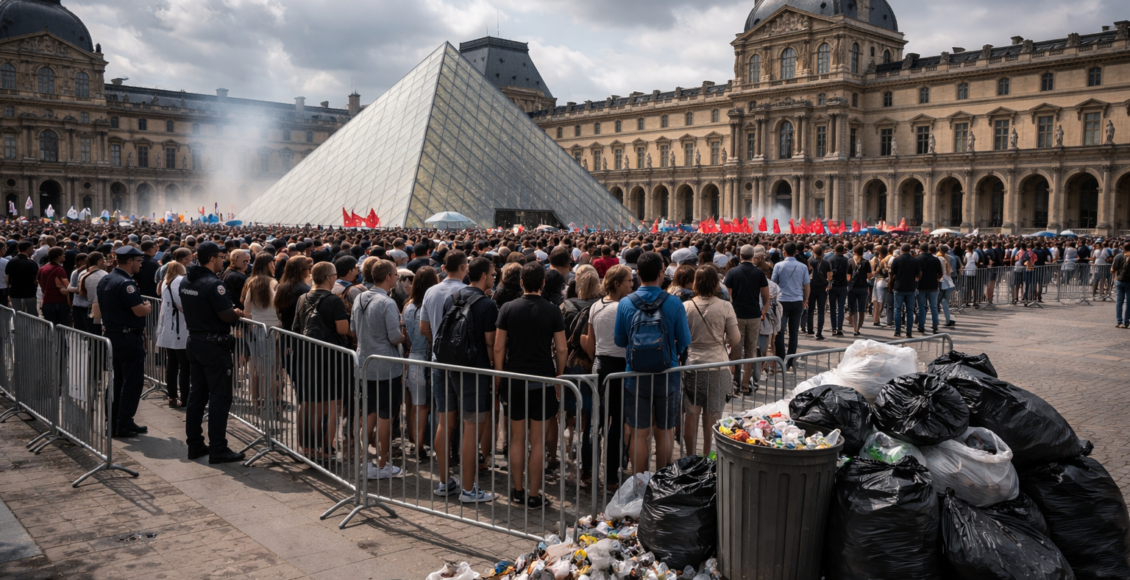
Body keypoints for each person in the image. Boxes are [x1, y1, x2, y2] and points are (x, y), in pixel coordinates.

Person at [494, 262, 567, 509]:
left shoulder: (507, 308)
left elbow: (498, 346)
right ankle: (534, 495)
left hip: (514, 380)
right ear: (543, 283)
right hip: (543, 380)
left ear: (521, 282)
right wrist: (559, 374)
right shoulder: (553, 310)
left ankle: (517, 490)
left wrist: (499, 375)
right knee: (537, 441)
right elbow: (562, 347)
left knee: (516, 438)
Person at [614, 252, 691, 476]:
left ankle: (640, 483)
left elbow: (620, 340)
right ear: (661, 273)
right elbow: (685, 341)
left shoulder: (626, 303)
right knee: (665, 431)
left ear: (637, 274)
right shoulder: (674, 302)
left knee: (639, 433)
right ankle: (662, 483)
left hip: (635, 374)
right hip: (668, 372)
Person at [438, 256, 499, 503]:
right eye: (493, 274)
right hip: (475, 369)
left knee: (446, 424)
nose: (495, 278)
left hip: (449, 366)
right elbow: (490, 342)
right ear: (483, 276)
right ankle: (468, 489)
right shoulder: (487, 304)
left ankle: (444, 483)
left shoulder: (452, 298)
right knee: (471, 429)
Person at [180, 241, 245, 464]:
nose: (223, 260)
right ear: (211, 258)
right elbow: (226, 315)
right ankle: (218, 448)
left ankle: (195, 444)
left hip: (195, 341)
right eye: (221, 256)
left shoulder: (187, 279)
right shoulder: (213, 283)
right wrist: (235, 312)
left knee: (197, 395)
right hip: (213, 345)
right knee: (220, 397)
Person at [419, 250, 470, 497]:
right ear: (462, 268)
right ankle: (468, 481)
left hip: (437, 361)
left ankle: (443, 479)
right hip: (462, 363)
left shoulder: (431, 291)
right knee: (469, 420)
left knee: (444, 421)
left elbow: (423, 327)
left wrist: (437, 343)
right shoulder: (466, 291)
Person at [291, 261, 353, 461]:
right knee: (332, 404)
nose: (336, 277)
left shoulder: (302, 298)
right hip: (331, 357)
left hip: (307, 356)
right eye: (334, 274)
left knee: (307, 403)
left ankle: (306, 447)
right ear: (328, 277)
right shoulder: (333, 300)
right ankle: (326, 449)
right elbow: (343, 329)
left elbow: (296, 327)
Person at [352, 259, 407, 482]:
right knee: (385, 416)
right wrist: (406, 338)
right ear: (387, 277)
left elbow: (354, 329)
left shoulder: (359, 297)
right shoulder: (387, 302)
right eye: (395, 275)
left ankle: (364, 462)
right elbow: (394, 336)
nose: (396, 278)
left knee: (368, 414)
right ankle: (383, 464)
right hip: (386, 366)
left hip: (364, 363)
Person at [582, 265, 631, 490]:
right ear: (617, 284)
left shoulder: (595, 306)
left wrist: (597, 359)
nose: (632, 284)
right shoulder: (623, 307)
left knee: (596, 422)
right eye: (629, 281)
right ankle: (610, 477)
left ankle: (587, 472)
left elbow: (590, 342)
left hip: (599, 365)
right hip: (618, 366)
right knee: (615, 424)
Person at [683, 265, 740, 458]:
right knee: (712, 417)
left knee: (691, 415)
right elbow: (735, 338)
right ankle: (707, 458)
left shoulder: (686, 306)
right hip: (717, 364)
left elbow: (681, 338)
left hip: (692, 364)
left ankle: (690, 456)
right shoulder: (725, 306)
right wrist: (722, 340)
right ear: (716, 283)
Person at [96, 246, 153, 438]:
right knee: (132, 382)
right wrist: (147, 307)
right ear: (129, 261)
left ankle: (113, 421)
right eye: (138, 261)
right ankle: (124, 422)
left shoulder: (106, 278)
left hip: (114, 334)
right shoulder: (125, 282)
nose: (140, 264)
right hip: (127, 337)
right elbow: (138, 310)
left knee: (116, 380)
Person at [723, 245, 770, 393]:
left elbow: (726, 296)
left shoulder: (732, 272)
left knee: (736, 349)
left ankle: (735, 382)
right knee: (751, 350)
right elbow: (766, 296)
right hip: (754, 314)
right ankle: (745, 384)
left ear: (740, 255)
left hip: (736, 315)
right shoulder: (760, 273)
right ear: (752, 256)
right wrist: (763, 311)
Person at [241, 253, 281, 413]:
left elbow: (247, 308)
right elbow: (278, 308)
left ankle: (255, 400)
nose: (275, 266)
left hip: (255, 328)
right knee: (270, 368)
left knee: (255, 368)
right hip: (271, 329)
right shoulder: (274, 283)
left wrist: (251, 324)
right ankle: (270, 401)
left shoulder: (251, 282)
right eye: (273, 263)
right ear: (268, 265)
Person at [771, 243, 809, 369]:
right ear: (795, 252)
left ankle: (781, 360)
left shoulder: (778, 265)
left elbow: (773, 283)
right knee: (794, 332)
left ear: (784, 252)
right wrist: (806, 299)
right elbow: (807, 285)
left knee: (780, 331)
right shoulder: (803, 266)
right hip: (797, 300)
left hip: (782, 301)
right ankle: (791, 360)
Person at [156, 262, 189, 407]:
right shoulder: (179, 281)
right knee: (184, 365)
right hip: (179, 328)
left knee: (172, 364)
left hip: (170, 328)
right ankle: (185, 397)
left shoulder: (165, 282)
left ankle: (172, 396)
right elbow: (182, 303)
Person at [889, 243, 921, 338]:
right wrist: (916, 278)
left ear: (901, 250)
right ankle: (909, 331)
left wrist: (892, 281)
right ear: (910, 249)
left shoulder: (897, 259)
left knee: (897, 310)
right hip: (910, 287)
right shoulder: (915, 260)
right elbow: (919, 273)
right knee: (910, 310)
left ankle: (897, 330)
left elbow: (892, 272)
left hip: (899, 287)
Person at [274, 257, 311, 332]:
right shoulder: (305, 289)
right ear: (302, 270)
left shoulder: (281, 287)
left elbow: (278, 312)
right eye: (308, 268)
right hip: (299, 332)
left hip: (286, 329)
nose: (309, 271)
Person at [38, 247, 70, 326]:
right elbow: (67, 287)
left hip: (46, 302)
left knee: (50, 328)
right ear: (58, 256)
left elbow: (38, 282)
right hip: (60, 303)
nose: (64, 256)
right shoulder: (59, 270)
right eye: (63, 254)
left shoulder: (42, 268)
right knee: (62, 329)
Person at [79, 252, 108, 335]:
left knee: (92, 337)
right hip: (103, 310)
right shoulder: (105, 275)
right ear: (100, 261)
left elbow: (81, 293)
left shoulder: (84, 274)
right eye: (104, 261)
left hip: (90, 309)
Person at [804, 245, 830, 340]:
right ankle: (819, 331)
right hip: (822, 287)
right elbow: (829, 276)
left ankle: (810, 329)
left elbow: (808, 273)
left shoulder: (810, 261)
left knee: (810, 309)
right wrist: (828, 283)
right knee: (821, 311)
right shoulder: (826, 262)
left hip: (811, 286)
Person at [916, 243, 942, 334]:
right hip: (933, 285)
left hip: (921, 285)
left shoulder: (918, 259)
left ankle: (921, 326)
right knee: (934, 307)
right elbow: (940, 272)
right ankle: (935, 326)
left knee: (921, 307)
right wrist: (937, 279)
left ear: (920, 249)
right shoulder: (935, 259)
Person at [6, 241, 39, 314]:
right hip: (30, 293)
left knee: (17, 313)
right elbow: (36, 279)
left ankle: (17, 326)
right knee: (32, 314)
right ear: (28, 249)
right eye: (32, 248)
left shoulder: (11, 261)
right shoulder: (31, 263)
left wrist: (10, 288)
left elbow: (7, 277)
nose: (33, 250)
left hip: (15, 292)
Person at [847, 245, 872, 336]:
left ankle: (854, 327)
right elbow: (869, 276)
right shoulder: (866, 262)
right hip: (863, 287)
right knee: (861, 309)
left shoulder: (849, 261)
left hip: (852, 287)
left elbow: (848, 277)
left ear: (854, 252)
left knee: (852, 308)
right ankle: (858, 328)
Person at [826, 244, 849, 337]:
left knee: (832, 308)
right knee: (841, 308)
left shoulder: (830, 259)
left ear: (834, 250)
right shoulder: (847, 260)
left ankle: (833, 328)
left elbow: (829, 274)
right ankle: (840, 328)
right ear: (843, 250)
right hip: (843, 285)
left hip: (833, 285)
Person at [871, 246, 890, 327]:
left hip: (877, 281)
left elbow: (872, 272)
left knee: (877, 302)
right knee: (880, 302)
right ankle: (877, 320)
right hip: (881, 281)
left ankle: (876, 320)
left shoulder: (874, 260)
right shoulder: (885, 259)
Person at [1112, 242, 1130, 328]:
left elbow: (1113, 269)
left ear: (1122, 248)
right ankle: (1126, 321)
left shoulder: (1118, 256)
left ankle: (1119, 321)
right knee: (1129, 303)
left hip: (1119, 280)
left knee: (1119, 302)